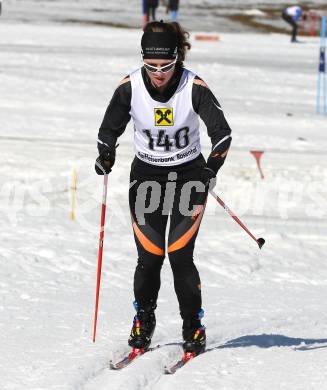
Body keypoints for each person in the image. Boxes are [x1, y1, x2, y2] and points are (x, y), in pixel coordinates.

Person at [95, 21, 232, 356]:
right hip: (146, 179)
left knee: (180, 255)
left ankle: (193, 326)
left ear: (178, 58)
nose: (158, 73)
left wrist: (209, 169)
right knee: (150, 258)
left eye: (166, 66)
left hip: (188, 178)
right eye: (151, 66)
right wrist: (105, 153)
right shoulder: (129, 87)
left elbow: (223, 134)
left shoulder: (194, 87)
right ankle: (143, 320)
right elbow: (107, 129)